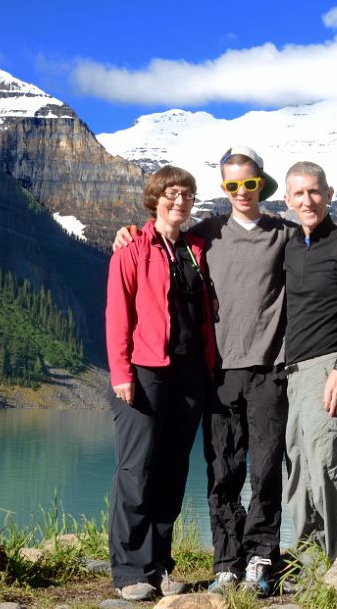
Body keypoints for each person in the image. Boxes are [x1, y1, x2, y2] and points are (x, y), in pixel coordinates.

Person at [113, 146, 337, 595]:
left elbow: (318, 234)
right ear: (224, 189)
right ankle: (226, 561)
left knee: (267, 471)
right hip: (217, 374)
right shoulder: (204, 236)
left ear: (262, 186)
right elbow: (155, 240)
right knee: (222, 471)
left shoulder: (284, 233)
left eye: (249, 183)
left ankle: (261, 560)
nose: (242, 191)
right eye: (232, 185)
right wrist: (127, 231)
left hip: (271, 372)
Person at [105, 166, 216, 601]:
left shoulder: (195, 249)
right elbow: (118, 315)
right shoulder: (131, 247)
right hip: (145, 369)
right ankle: (130, 568)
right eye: (171, 194)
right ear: (155, 198)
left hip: (188, 374)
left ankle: (160, 566)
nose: (180, 201)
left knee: (173, 470)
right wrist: (121, 373)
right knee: (137, 469)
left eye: (187, 195)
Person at [281, 161, 337, 562]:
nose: (307, 200)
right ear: (287, 200)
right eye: (299, 193)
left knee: (331, 466)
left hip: (328, 369)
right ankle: (308, 562)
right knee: (300, 471)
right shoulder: (288, 245)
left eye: (314, 191)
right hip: (294, 374)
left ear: (329, 194)